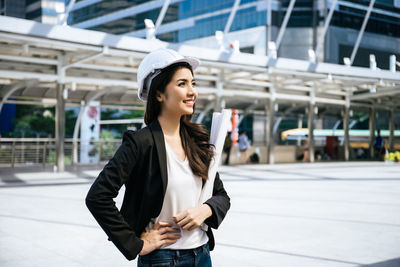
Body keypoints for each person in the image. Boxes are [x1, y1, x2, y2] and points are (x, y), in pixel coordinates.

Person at [85, 48, 230, 267]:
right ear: (159, 93)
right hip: (163, 259)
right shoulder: (140, 143)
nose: (192, 92)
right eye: (182, 84)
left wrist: (205, 210)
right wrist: (136, 244)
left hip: (202, 255)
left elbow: (221, 196)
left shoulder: (197, 141)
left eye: (193, 83)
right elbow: (98, 196)